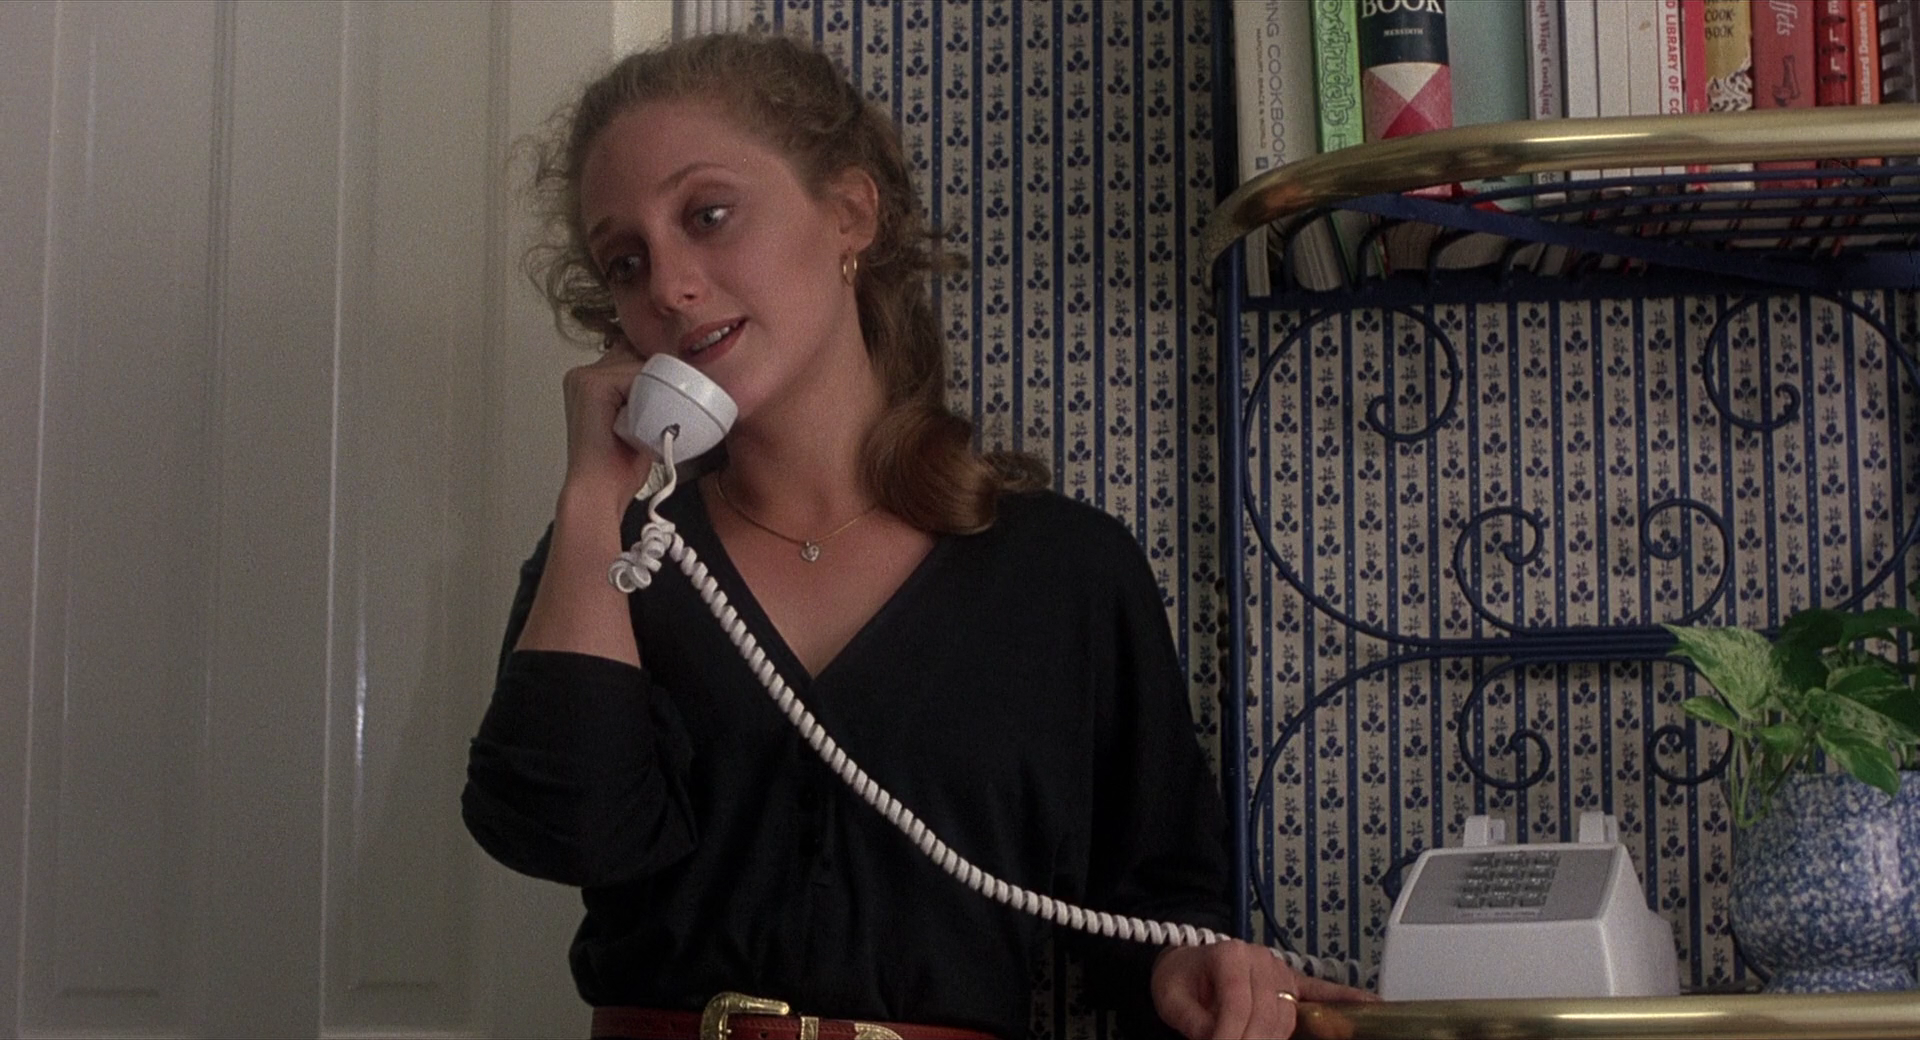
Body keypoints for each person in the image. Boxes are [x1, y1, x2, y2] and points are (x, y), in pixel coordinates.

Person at [461, 29, 1369, 1040]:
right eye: (625, 262)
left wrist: (1197, 969)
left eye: (708, 215)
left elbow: (1157, 900)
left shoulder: (1062, 571)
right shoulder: (617, 560)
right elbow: (556, 828)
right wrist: (595, 496)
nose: (669, 286)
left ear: (850, 213)